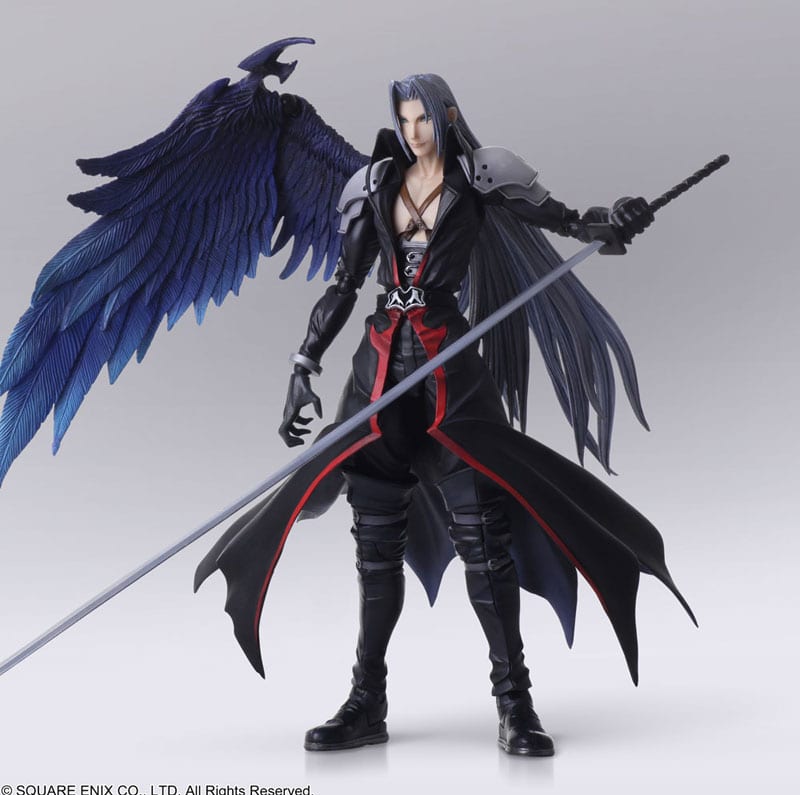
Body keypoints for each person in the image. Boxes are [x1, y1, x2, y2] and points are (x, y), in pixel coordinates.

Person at [195, 72, 694, 757]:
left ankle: (515, 704)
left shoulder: (484, 176)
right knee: (375, 552)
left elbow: (570, 222)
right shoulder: (374, 184)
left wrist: (614, 220)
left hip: (449, 378)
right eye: (404, 120)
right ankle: (365, 701)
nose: (413, 132)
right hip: (376, 382)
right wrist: (303, 366)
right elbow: (345, 284)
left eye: (423, 119)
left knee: (484, 544)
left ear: (447, 116)